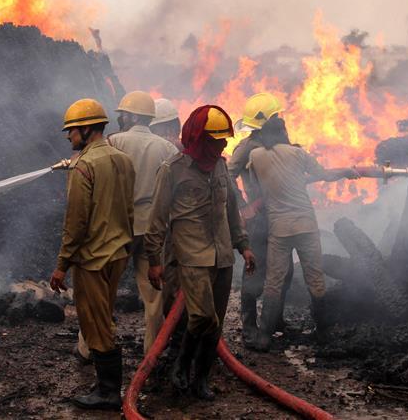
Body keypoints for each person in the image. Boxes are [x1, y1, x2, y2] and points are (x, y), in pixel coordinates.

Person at [145, 105, 257, 400]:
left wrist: (243, 246)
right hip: (190, 258)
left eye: (224, 140)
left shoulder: (220, 166)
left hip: (222, 258)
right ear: (198, 139)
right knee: (202, 318)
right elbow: (156, 219)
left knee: (215, 323)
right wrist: (154, 262)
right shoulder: (172, 170)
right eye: (215, 140)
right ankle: (181, 365)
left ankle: (202, 379)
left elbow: (232, 209)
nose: (221, 145)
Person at [49, 98, 136, 410]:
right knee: (104, 317)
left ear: (86, 129)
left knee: (96, 324)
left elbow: (75, 222)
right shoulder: (123, 160)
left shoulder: (83, 166)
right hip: (117, 255)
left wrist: (62, 265)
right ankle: (108, 388)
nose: (69, 137)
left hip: (93, 259)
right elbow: (129, 208)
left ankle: (108, 392)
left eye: (71, 131)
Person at [246, 116, 358, 352]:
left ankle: (264, 336)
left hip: (279, 229)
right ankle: (324, 333)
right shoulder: (298, 154)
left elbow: (259, 186)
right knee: (315, 278)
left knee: (273, 281)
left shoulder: (255, 157)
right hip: (306, 226)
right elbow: (324, 175)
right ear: (284, 132)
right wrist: (347, 171)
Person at [106, 91, 178, 353]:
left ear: (133, 115)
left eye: (123, 113)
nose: (121, 118)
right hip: (152, 230)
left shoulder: (113, 142)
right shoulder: (167, 148)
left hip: (120, 228)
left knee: (104, 291)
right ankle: (153, 352)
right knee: (153, 297)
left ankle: (89, 347)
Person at [228, 92, 294, 348]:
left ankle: (276, 320)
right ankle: (248, 326)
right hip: (259, 218)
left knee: (284, 271)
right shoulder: (246, 148)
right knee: (255, 270)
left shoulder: (280, 142)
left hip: (281, 213)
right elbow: (227, 174)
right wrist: (243, 206)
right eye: (275, 116)